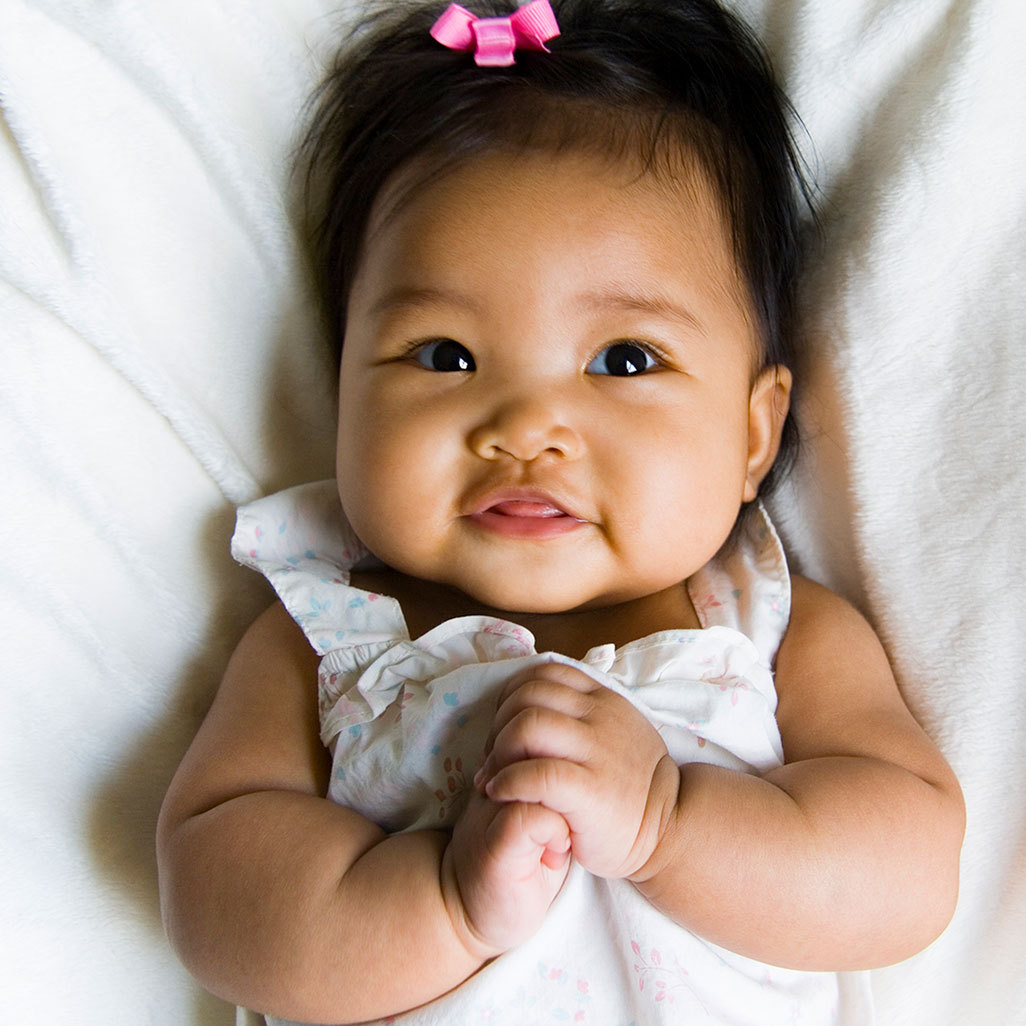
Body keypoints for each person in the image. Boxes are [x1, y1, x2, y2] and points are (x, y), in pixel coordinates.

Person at [156, 1, 966, 1023]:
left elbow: (907, 872)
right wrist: (444, 903)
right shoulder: (328, 634)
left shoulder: (768, 627)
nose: (529, 426)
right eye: (445, 355)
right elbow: (215, 890)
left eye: (624, 360)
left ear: (754, 434)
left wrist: (668, 824)